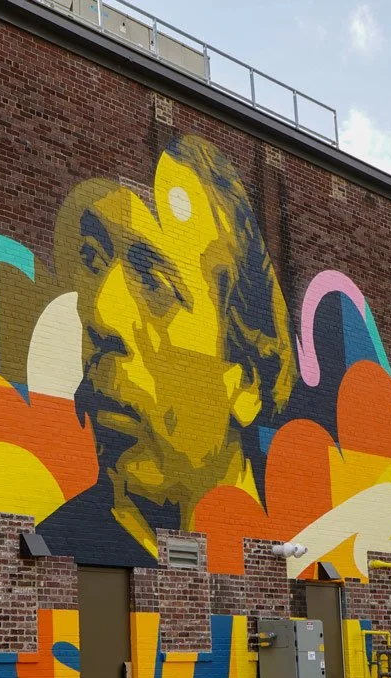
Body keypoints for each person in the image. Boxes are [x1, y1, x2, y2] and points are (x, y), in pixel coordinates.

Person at [39, 135, 296, 567]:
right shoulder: (51, 551)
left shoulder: (298, 543)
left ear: (248, 378)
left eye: (155, 281)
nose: (99, 313)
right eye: (94, 261)